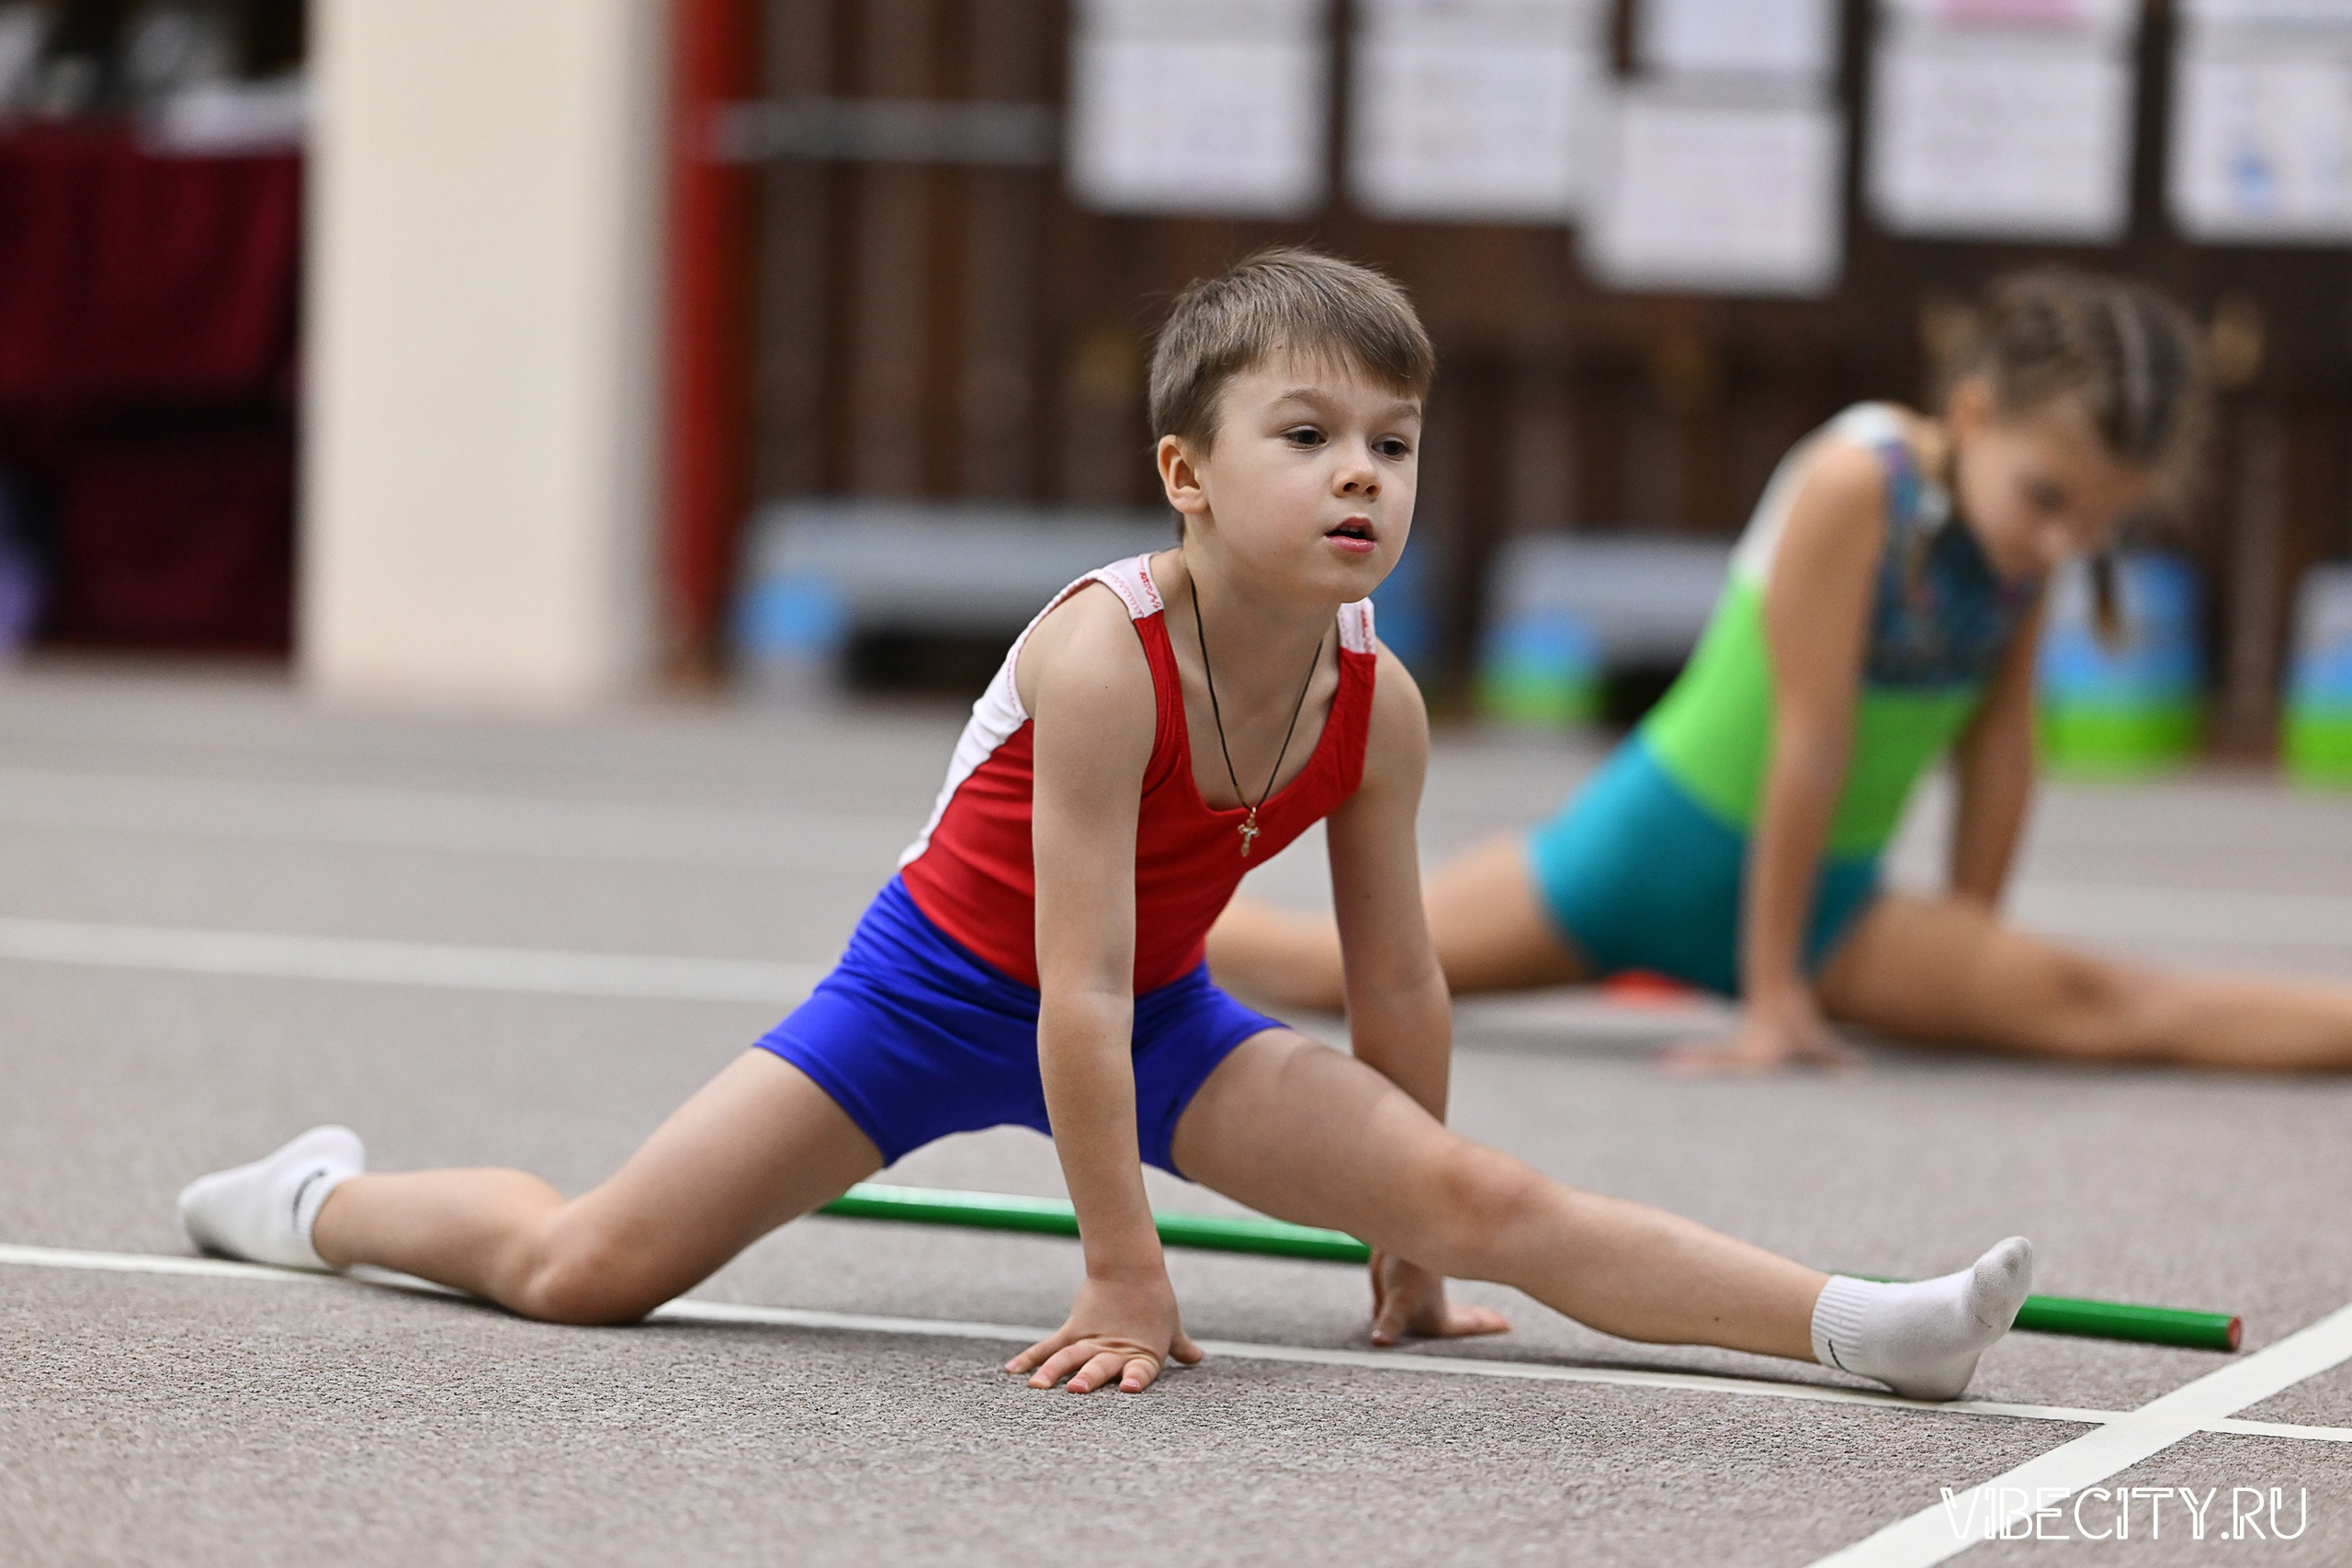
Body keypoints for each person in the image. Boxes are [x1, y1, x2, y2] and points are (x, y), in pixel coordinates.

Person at [177, 250, 2032, 1401]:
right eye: (1303, 434)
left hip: (1161, 1015)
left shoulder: (1370, 697)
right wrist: (1122, 1264)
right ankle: (321, 1195)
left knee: (1488, 1202)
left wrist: (1404, 1222)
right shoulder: (1100, 657)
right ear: (1183, 474)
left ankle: (1861, 1324)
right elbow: (1056, 991)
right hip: (936, 994)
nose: (1358, 473)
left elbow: (1397, 976)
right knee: (588, 1271)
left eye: (1391, 440)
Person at [1210, 268, 2352, 1073]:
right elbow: (1810, 740)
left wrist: (1968, 945)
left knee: (2113, 1008)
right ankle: (1069, 923)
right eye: (2050, 500)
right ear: (1972, 412)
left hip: (1828, 907)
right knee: (1326, 968)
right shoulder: (1862, 481)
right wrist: (1770, 1002)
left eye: (2096, 523)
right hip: (1639, 860)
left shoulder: (2023, 546)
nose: (2061, 541)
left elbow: (2001, 750)